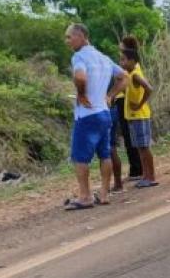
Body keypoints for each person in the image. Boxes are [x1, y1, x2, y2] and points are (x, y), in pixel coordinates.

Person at [63, 23, 128, 210]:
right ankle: (105, 194)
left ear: (81, 36)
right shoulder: (103, 57)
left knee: (80, 157)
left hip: (87, 115)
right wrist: (110, 96)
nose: (67, 41)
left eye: (69, 37)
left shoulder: (79, 57)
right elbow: (124, 77)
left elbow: (80, 78)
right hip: (104, 113)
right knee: (104, 154)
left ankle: (85, 196)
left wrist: (81, 94)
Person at [120, 48, 157, 188]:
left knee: (144, 147)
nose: (121, 62)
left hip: (139, 116)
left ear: (132, 61)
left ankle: (151, 177)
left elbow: (149, 88)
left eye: (123, 59)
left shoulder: (135, 75)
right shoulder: (130, 74)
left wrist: (140, 104)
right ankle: (146, 175)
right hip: (134, 117)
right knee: (140, 148)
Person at [110, 35, 143, 184]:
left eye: (121, 45)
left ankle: (136, 170)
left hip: (125, 101)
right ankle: (136, 169)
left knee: (130, 136)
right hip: (124, 100)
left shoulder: (130, 66)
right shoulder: (132, 63)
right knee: (129, 136)